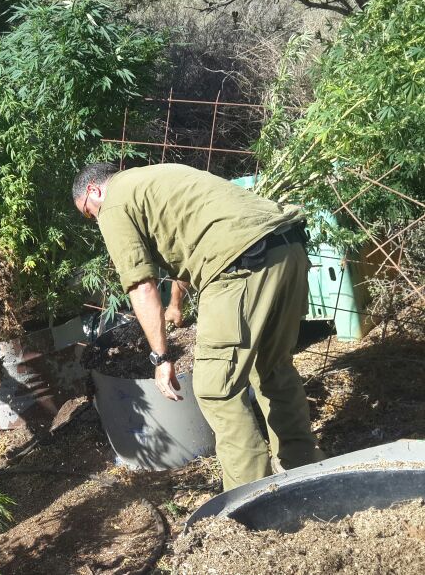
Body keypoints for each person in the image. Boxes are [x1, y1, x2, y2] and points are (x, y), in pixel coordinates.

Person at [73, 162, 325, 490]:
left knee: (215, 388)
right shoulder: (154, 179)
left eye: (89, 213)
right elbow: (190, 242)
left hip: (241, 263)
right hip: (286, 246)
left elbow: (141, 285)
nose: (95, 219)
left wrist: (161, 358)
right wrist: (175, 304)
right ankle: (304, 468)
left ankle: (250, 496)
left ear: (93, 190)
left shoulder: (115, 202)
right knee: (271, 367)